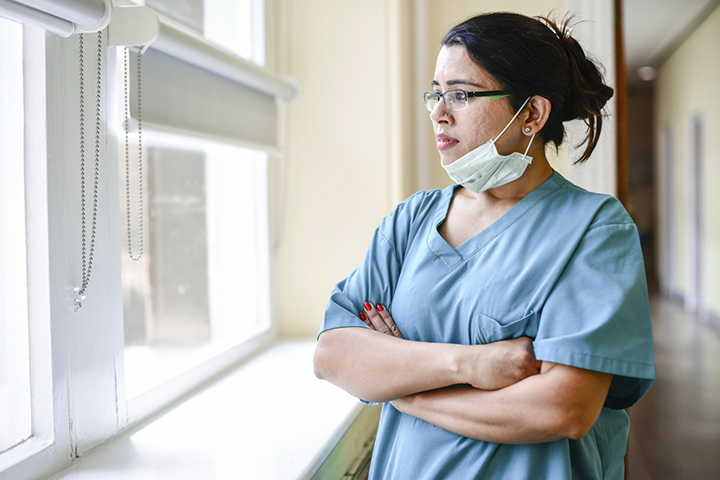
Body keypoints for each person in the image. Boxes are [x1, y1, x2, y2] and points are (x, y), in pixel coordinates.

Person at [314, 11, 655, 480]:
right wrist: (473, 363)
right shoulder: (411, 221)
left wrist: (403, 386)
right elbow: (333, 354)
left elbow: (563, 409)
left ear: (532, 114)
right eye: (436, 93)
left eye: (461, 94)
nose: (438, 111)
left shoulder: (594, 230)